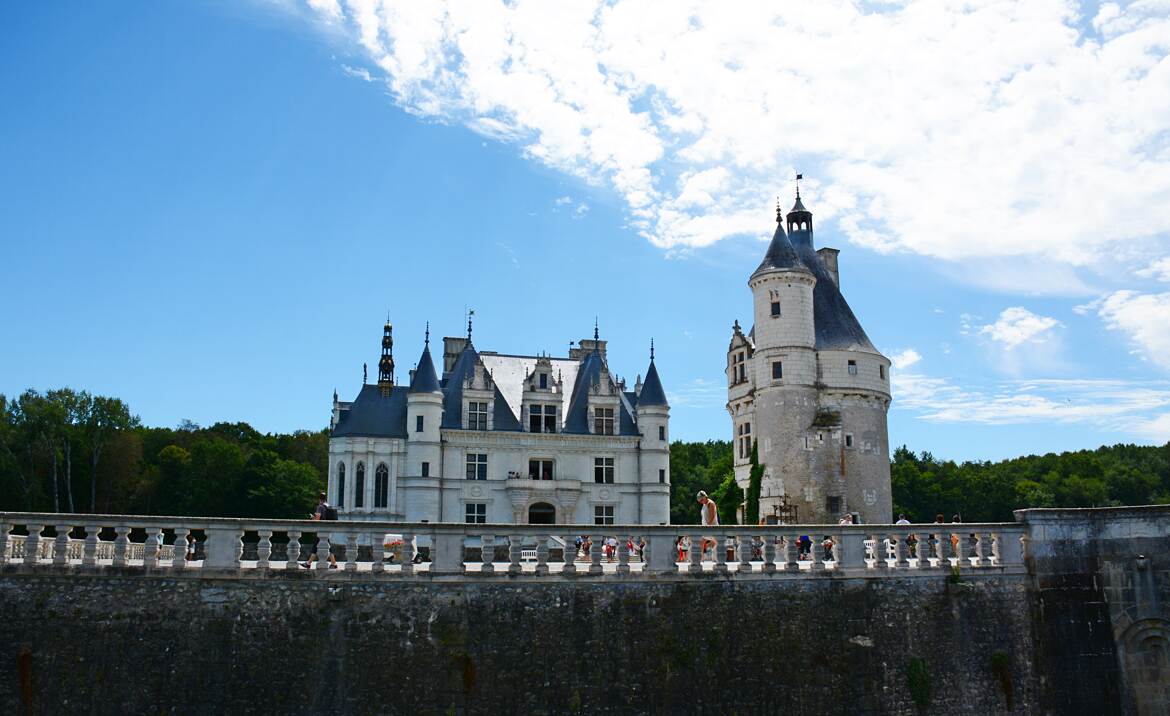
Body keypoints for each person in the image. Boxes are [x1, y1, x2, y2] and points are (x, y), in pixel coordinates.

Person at [301, 492, 338, 569]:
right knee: (328, 546)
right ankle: (333, 564)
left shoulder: (320, 507)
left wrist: (312, 518)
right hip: (328, 528)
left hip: (321, 529)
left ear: (319, 499)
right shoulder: (328, 506)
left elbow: (317, 519)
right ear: (325, 499)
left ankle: (308, 563)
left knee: (315, 546)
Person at [697, 491, 718, 555]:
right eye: (700, 501)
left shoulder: (710, 503)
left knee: (717, 543)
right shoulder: (704, 504)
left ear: (705, 497)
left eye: (701, 499)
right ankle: (699, 560)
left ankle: (699, 560)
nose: (701, 501)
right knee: (702, 542)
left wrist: (708, 526)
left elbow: (712, 516)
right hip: (706, 527)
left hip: (711, 527)